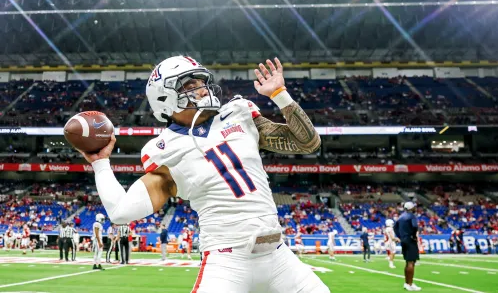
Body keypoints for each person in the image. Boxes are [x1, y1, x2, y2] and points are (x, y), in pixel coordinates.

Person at [78, 56, 328, 293]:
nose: (202, 89)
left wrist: (279, 94)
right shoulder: (163, 150)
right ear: (165, 98)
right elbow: (121, 212)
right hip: (227, 262)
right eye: (190, 84)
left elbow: (308, 144)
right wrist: (101, 164)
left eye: (202, 82)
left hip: (279, 255)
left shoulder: (238, 113)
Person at [394, 202, 421, 291]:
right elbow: (415, 226)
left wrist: (400, 236)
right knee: (411, 262)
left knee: (408, 262)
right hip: (410, 240)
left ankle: (407, 283)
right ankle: (409, 283)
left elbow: (395, 227)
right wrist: (414, 236)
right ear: (411, 208)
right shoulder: (411, 216)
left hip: (404, 240)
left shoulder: (400, 217)